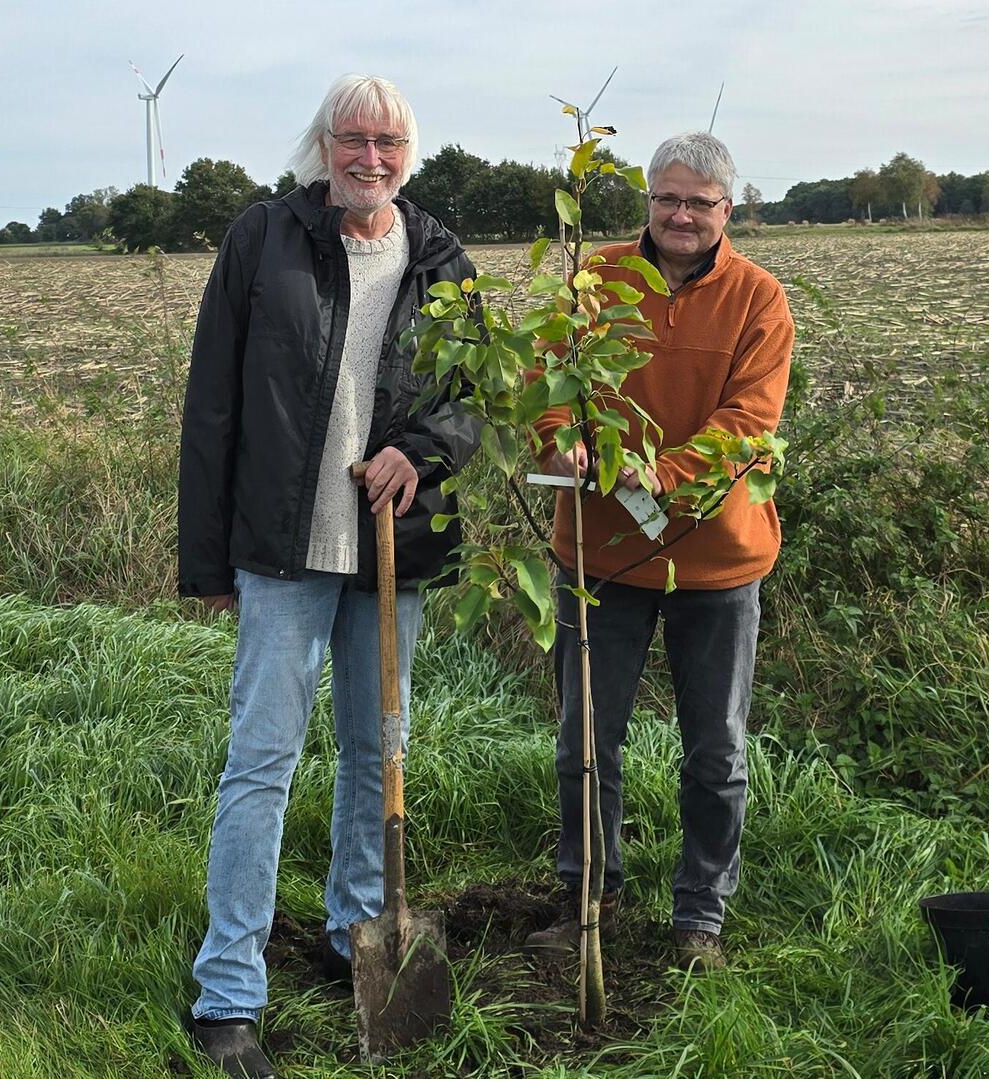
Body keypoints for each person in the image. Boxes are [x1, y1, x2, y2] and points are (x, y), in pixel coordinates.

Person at [178, 74, 477, 1079]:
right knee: (261, 763)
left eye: (388, 141)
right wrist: (205, 559)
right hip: (282, 549)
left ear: (410, 151)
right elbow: (212, 405)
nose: (371, 157)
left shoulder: (440, 258)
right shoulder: (264, 241)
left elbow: (468, 396)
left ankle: (359, 933)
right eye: (353, 139)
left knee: (372, 752)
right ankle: (228, 991)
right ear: (324, 146)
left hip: (392, 557)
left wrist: (421, 451)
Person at [523, 131, 793, 971]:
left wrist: (653, 474)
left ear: (728, 209)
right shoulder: (594, 279)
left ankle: (699, 917)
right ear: (646, 201)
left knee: (715, 748)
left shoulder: (759, 300)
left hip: (718, 561)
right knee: (585, 741)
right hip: (598, 557)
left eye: (699, 202)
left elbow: (747, 426)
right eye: (667, 198)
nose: (681, 215)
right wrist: (559, 438)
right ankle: (587, 897)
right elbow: (549, 382)